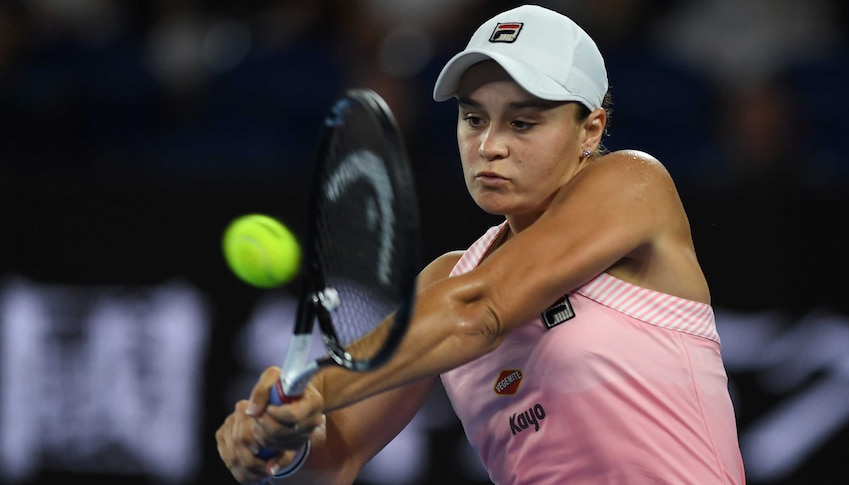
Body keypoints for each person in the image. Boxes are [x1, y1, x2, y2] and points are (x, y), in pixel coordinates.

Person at [216, 5, 746, 484]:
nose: (489, 146)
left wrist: (316, 388)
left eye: (522, 122)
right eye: (473, 118)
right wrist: (279, 438)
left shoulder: (635, 185)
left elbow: (482, 310)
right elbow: (339, 455)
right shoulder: (447, 282)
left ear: (591, 129)